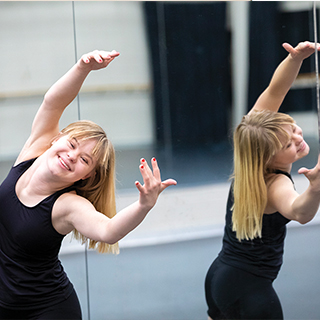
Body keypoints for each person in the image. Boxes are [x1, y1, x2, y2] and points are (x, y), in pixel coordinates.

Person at [0, 49, 177, 319]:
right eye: (71, 144)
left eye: (84, 160)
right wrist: (83, 68)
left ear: (86, 176)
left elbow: (107, 231)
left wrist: (144, 205)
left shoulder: (67, 205)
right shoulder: (35, 149)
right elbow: (52, 103)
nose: (71, 156)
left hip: (46, 310)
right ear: (57, 138)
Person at [205, 41, 320, 319]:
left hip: (220, 275)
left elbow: (275, 90)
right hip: (248, 289)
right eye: (288, 144)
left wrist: (294, 60)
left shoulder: (252, 139)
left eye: (292, 128)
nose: (298, 138)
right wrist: (315, 188)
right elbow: (299, 212)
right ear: (268, 158)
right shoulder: (274, 184)